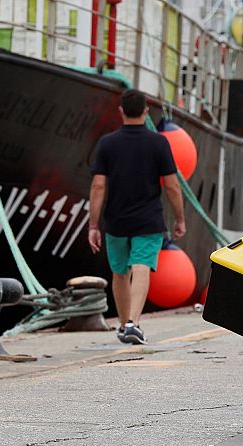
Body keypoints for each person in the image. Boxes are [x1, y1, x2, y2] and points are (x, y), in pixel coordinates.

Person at [88, 89, 186, 345]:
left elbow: (98, 187)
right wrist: (180, 218)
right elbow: (173, 186)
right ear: (145, 111)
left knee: (120, 272)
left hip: (116, 220)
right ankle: (133, 323)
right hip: (148, 220)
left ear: (121, 111)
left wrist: (93, 225)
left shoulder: (107, 143)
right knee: (141, 265)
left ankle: (123, 324)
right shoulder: (159, 143)